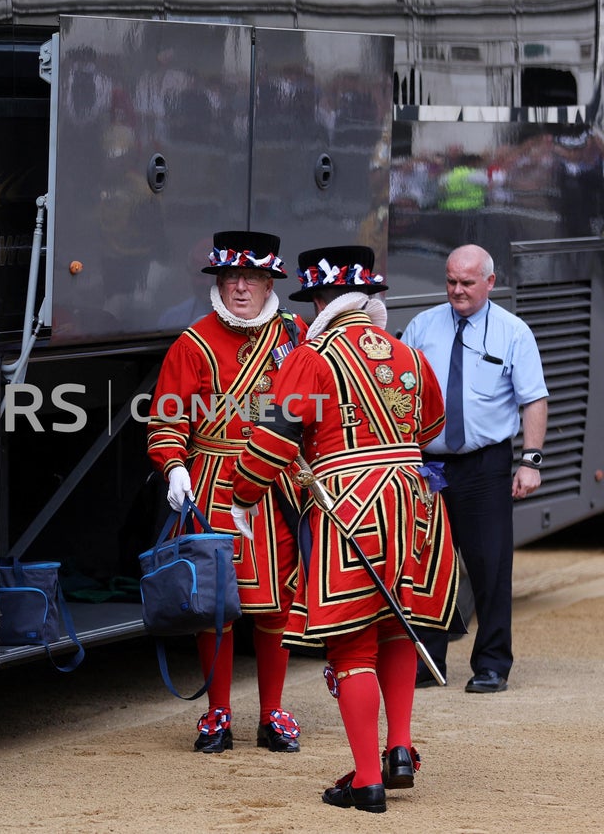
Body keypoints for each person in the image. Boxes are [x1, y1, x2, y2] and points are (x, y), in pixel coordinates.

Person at [229, 245, 458, 813]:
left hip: (351, 504)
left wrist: (243, 494)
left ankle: (366, 780)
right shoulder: (407, 353)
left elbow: (276, 440)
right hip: (414, 500)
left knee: (352, 642)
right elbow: (433, 421)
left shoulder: (310, 357)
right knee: (398, 623)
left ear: (323, 299)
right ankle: (400, 749)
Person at [146, 230, 306, 754]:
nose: (240, 287)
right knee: (212, 603)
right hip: (212, 483)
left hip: (276, 484)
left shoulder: (294, 334)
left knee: (276, 604)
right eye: (231, 278)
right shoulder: (193, 343)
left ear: (268, 283)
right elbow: (167, 418)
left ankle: (273, 713)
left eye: (252, 278)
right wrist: (174, 467)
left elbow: (311, 405)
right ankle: (217, 714)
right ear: (219, 282)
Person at [401, 243, 548, 693]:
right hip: (429, 466)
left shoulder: (513, 332)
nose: (457, 290)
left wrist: (530, 461)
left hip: (485, 465)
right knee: (427, 564)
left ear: (490, 282)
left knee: (490, 565)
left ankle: (491, 663)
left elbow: (534, 400)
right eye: (450, 281)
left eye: (467, 282)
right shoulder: (422, 327)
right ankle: (428, 661)